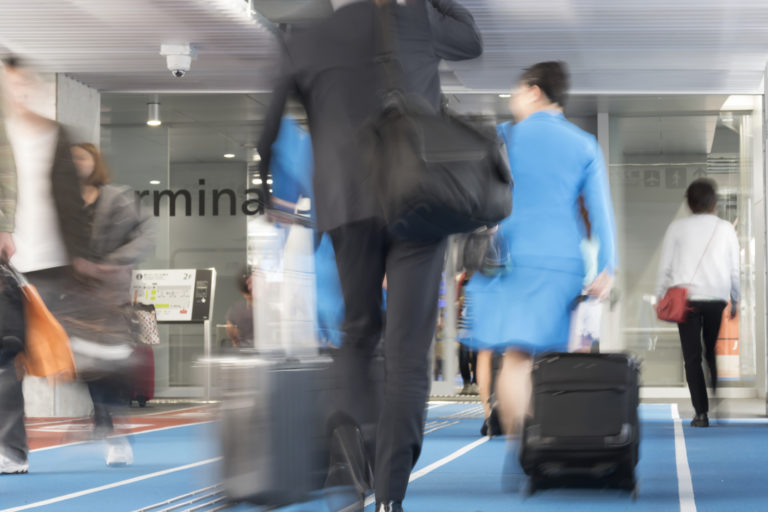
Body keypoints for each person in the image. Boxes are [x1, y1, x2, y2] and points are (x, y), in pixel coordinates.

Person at [256, 1, 482, 509]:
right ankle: (391, 496)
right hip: (418, 198)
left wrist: (272, 194)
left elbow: (266, 132)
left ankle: (352, 469)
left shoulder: (304, 38)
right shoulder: (417, 20)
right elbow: (472, 41)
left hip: (345, 204)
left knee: (357, 336)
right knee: (408, 353)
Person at [464, 61, 617, 490]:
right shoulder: (584, 144)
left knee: (515, 359)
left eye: (515, 93)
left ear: (533, 91)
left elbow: (476, 198)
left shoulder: (501, 137)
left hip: (510, 261)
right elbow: (601, 214)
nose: (511, 102)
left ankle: (524, 451)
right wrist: (607, 267)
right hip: (562, 262)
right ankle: (571, 446)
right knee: (566, 363)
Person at [0, 56, 91, 475]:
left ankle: (104, 416)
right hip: (13, 263)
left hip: (47, 262)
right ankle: (13, 448)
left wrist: (80, 258)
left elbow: (69, 205)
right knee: (9, 357)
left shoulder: (53, 135)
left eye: (18, 85)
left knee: (58, 357)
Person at [656, 178, 739, 428]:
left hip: (687, 299)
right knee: (710, 351)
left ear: (689, 203)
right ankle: (716, 397)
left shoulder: (677, 228)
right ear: (714, 203)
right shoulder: (725, 229)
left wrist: (660, 294)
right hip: (716, 298)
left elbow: (666, 265)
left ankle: (701, 413)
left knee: (692, 356)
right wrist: (736, 298)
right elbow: (734, 269)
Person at [225, 269, 254, 348]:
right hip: (250, 350)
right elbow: (230, 328)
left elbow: (230, 328)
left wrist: (235, 338)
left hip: (244, 350)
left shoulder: (236, 309)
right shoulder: (237, 309)